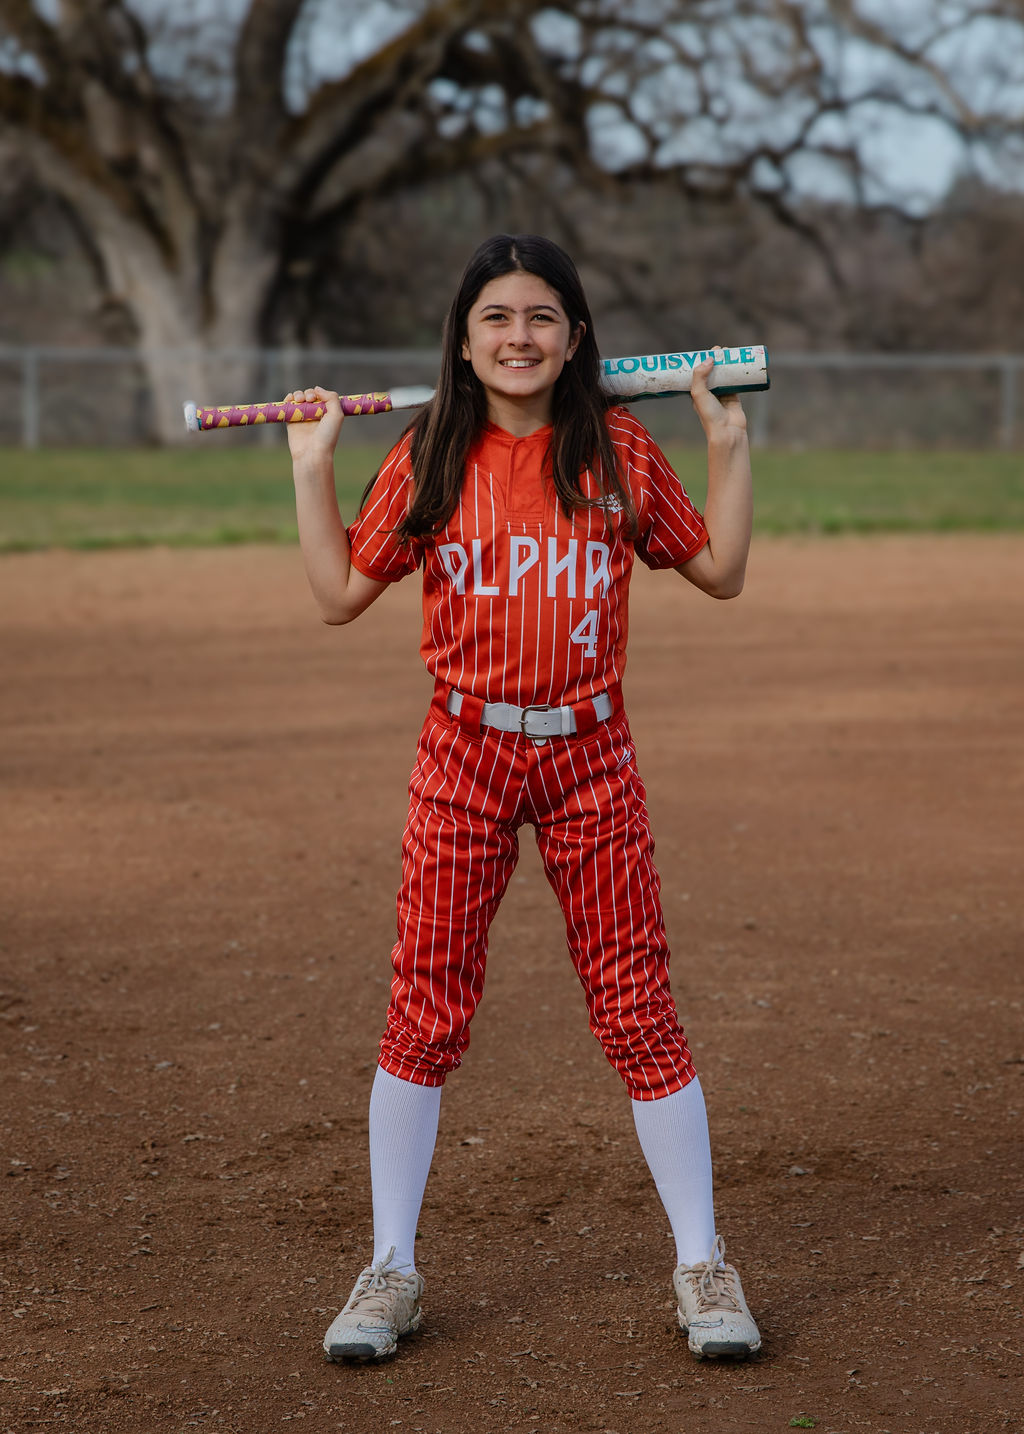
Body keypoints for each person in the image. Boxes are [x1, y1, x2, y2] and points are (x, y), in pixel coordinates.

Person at [284, 233, 761, 1365]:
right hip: (465, 754)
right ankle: (390, 1269)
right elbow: (339, 594)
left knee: (637, 1004)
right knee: (424, 1009)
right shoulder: (430, 453)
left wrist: (728, 445)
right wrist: (311, 466)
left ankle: (702, 1262)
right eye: (495, 317)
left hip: (592, 754)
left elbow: (720, 571)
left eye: (542, 316)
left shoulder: (618, 447)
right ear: (463, 342)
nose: (519, 336)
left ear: (575, 337)